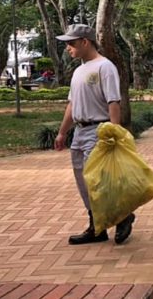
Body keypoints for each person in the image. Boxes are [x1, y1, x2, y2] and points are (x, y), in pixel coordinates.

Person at [53, 24, 136, 245]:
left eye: (71, 43)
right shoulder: (79, 70)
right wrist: (62, 133)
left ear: (85, 42)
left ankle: (123, 217)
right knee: (84, 182)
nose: (68, 48)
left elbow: (113, 102)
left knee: (101, 181)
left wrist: (113, 133)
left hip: (99, 131)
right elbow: (72, 105)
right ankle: (97, 227)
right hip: (79, 133)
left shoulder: (105, 67)